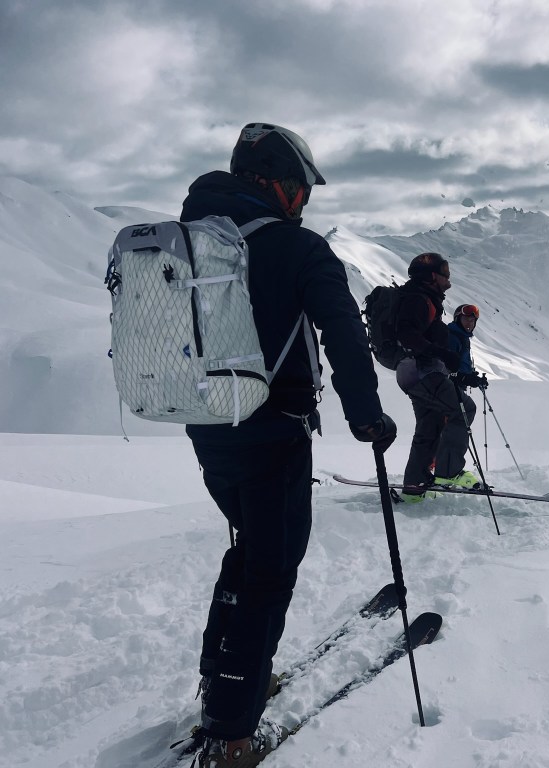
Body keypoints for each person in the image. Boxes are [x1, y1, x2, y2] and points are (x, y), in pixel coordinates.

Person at [181, 122, 397, 767]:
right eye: (301, 188)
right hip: (272, 432)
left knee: (248, 549)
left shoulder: (185, 243)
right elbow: (345, 337)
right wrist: (368, 418)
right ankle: (232, 733)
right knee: (271, 572)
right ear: (277, 185)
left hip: (205, 425)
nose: (304, 201)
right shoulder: (297, 249)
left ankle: (220, 682)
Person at [393, 254, 480, 502]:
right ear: (431, 276)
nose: (448, 276)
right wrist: (442, 353)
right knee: (464, 408)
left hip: (412, 373)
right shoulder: (419, 299)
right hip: (423, 372)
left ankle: (414, 487)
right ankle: (449, 471)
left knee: (429, 427)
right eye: (444, 271)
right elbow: (408, 335)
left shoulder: (424, 298)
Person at [447, 303, 489, 391]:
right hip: (448, 387)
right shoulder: (452, 338)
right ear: (457, 319)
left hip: (455, 386)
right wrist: (464, 378)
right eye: (466, 319)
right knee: (469, 405)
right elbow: (446, 367)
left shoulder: (463, 337)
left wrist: (470, 374)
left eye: (472, 320)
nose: (469, 323)